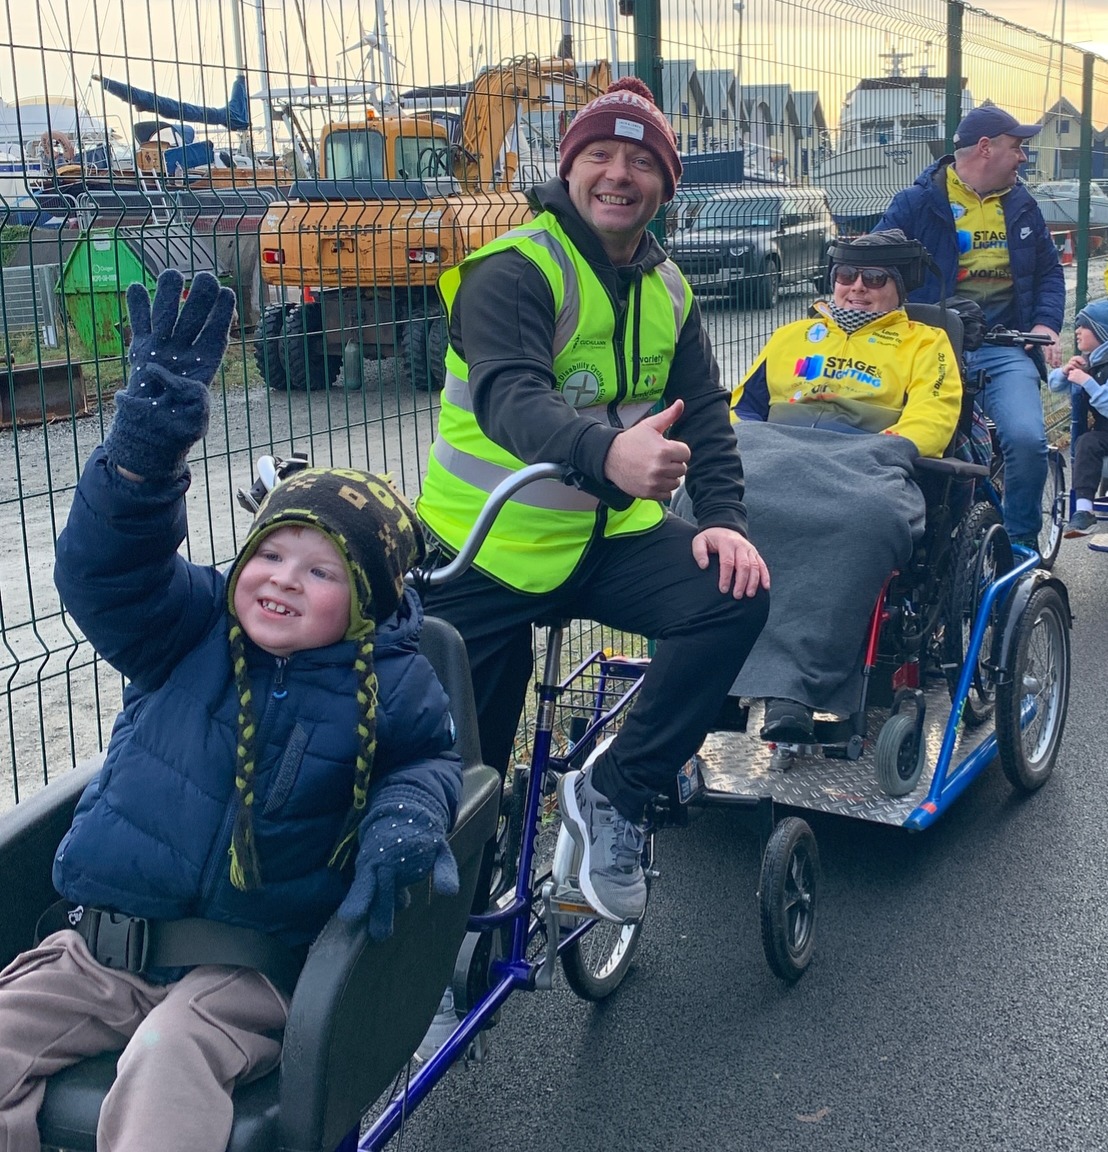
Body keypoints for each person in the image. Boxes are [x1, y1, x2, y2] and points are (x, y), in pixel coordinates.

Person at [0, 270, 462, 1152]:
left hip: (248, 970)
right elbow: (105, 571)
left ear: (364, 601)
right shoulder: (187, 627)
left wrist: (406, 815)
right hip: (102, 949)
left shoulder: (391, 681)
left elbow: (429, 762)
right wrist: (144, 450)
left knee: (168, 1062)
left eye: (320, 570)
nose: (284, 578)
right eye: (271, 554)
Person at [415, 76, 770, 925]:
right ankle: (434, 966)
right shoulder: (514, 271)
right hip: (485, 553)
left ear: (666, 186)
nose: (619, 174)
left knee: (733, 597)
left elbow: (709, 415)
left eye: (641, 161)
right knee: (463, 783)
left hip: (609, 542)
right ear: (569, 171)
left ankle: (614, 789)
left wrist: (723, 521)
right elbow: (510, 398)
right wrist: (607, 454)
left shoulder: (670, 288)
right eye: (600, 156)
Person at [716, 230, 963, 742]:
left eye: (874, 279)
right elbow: (743, 407)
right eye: (846, 277)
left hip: (863, 459)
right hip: (774, 449)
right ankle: (710, 677)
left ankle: (795, 690)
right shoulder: (792, 337)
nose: (856, 288)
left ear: (899, 288)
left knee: (866, 517)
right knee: (705, 498)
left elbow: (934, 416)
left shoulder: (926, 342)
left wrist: (884, 449)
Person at [876, 105, 1065, 550]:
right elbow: (878, 259)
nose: (1022, 158)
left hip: (1005, 346)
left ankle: (1020, 546)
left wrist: (1046, 323)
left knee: (1025, 439)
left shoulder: (1022, 204)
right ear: (985, 148)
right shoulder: (918, 202)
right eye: (1016, 147)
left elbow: (1049, 273)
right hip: (930, 344)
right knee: (902, 438)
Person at [1047, 300, 1108, 537]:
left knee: (1090, 441)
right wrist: (1065, 371)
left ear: (1102, 330)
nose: (1077, 331)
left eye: (1084, 325)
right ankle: (1084, 512)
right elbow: (1053, 385)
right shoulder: (1092, 361)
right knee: (1087, 442)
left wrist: (1087, 382)